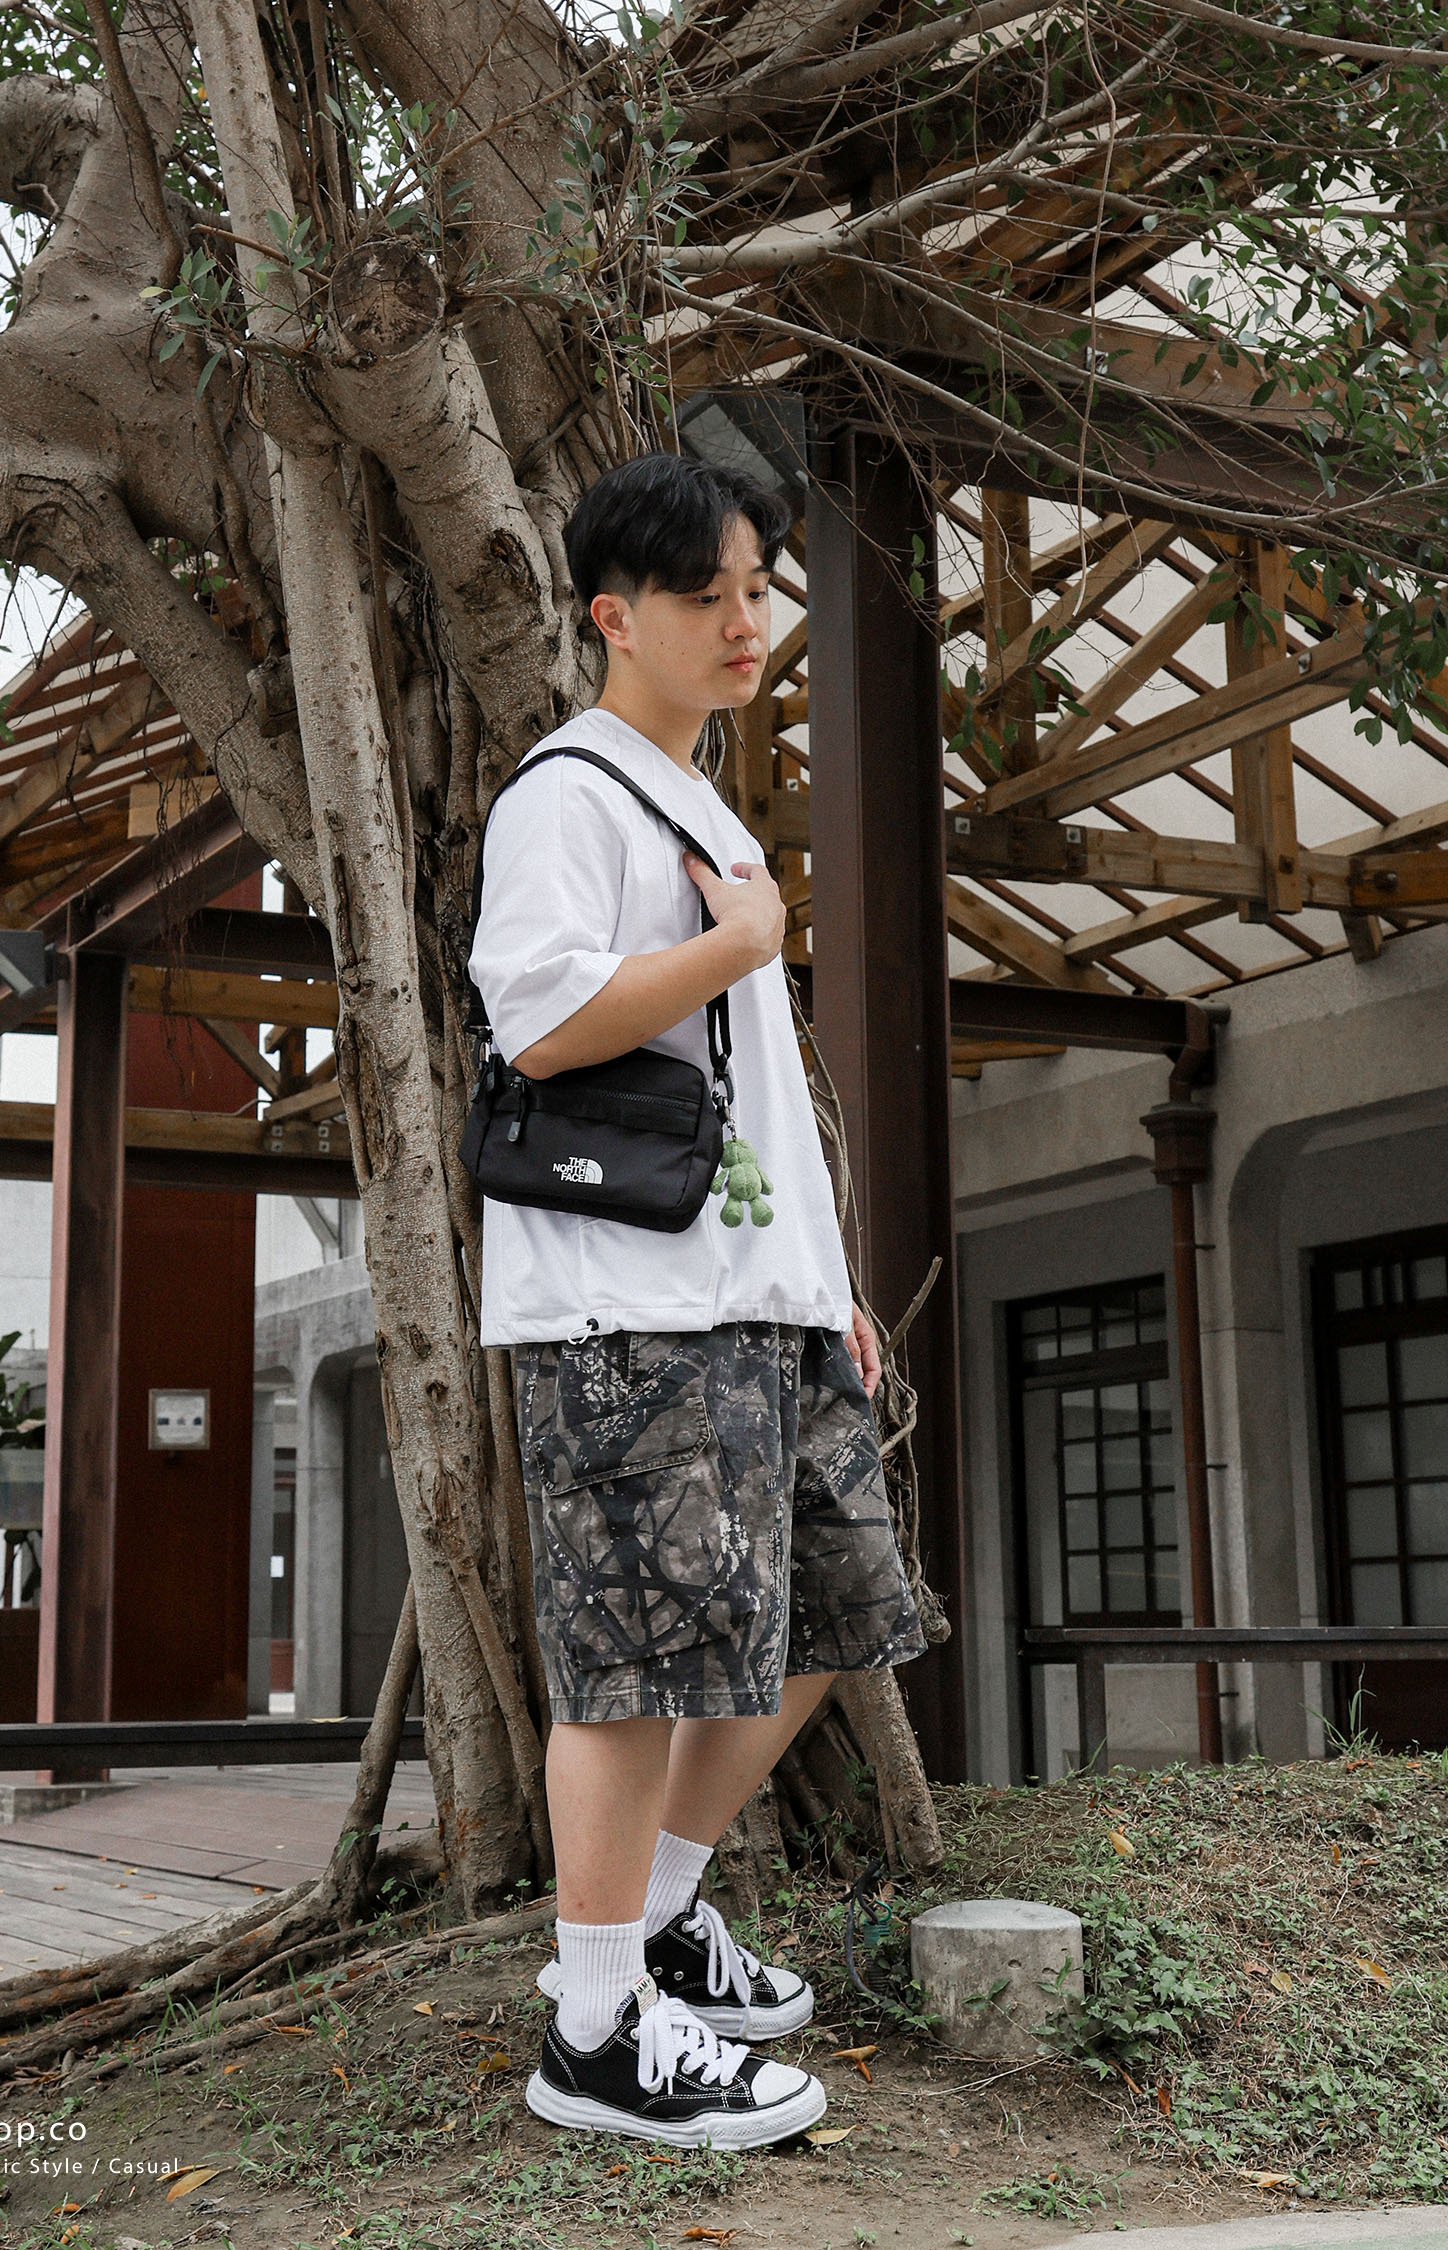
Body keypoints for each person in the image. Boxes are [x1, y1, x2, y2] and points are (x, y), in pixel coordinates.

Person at [467, 450, 927, 2150]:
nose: (747, 622)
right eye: (706, 594)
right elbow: (536, 1019)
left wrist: (826, 1285)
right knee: (635, 1665)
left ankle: (652, 1922)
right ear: (613, 614)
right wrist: (738, 945)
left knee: (830, 1611)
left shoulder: (701, 806)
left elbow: (760, 1103)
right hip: (629, 1308)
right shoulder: (568, 796)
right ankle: (594, 2030)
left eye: (757, 589)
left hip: (756, 1299)